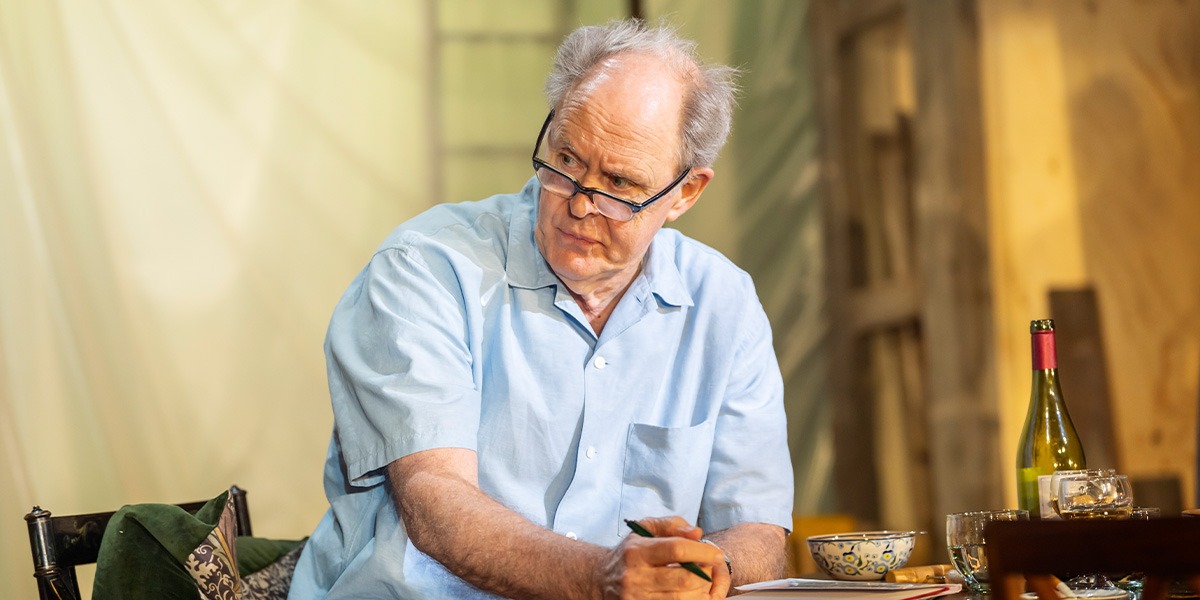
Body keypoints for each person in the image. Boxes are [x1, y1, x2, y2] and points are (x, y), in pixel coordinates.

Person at [288, 19, 793, 600]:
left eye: (620, 184)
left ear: (685, 193)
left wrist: (700, 570)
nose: (579, 204)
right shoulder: (426, 267)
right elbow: (434, 502)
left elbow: (759, 532)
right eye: (566, 161)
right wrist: (602, 578)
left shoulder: (723, 306)